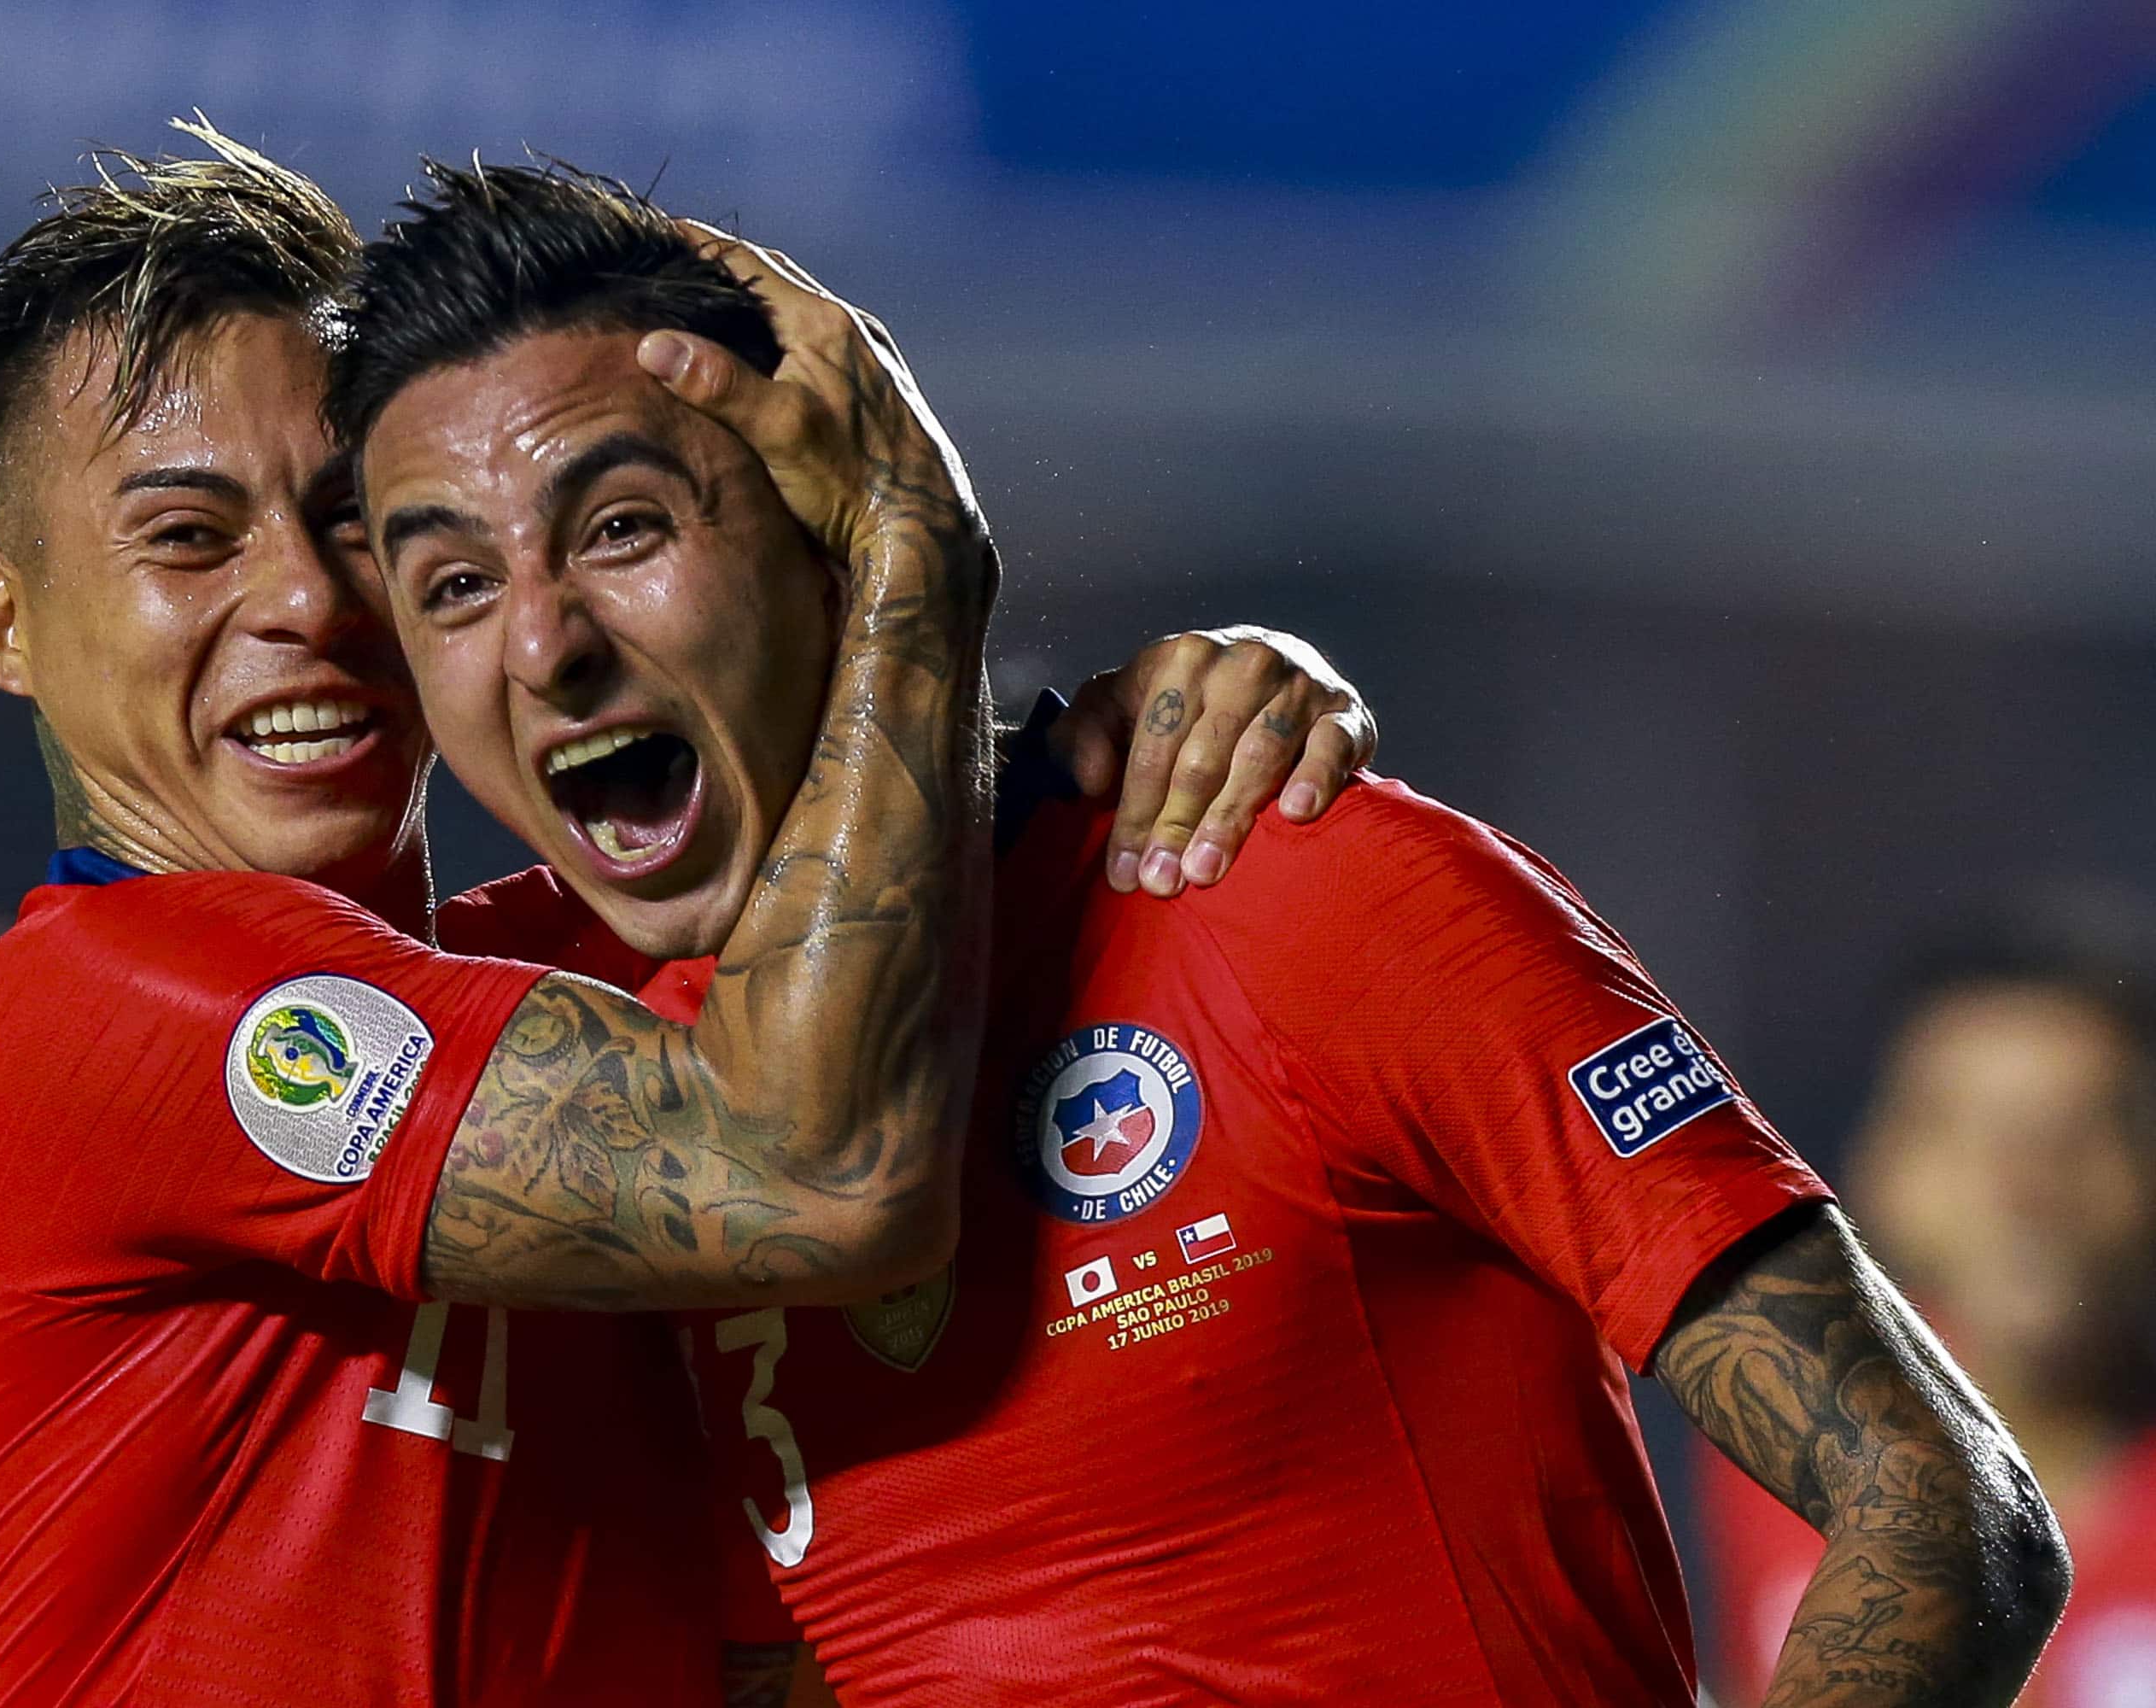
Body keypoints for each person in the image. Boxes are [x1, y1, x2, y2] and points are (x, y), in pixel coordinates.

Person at [333, 160, 2073, 1708]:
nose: (544, 643)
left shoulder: (1290, 885)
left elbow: (1943, 1509)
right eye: (455, 586)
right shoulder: (576, 1103)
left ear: (833, 529)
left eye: (623, 529)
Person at [0, 121, 1378, 1707]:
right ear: (4, 619)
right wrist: (914, 559)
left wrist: (1174, 721)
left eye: (347, 524)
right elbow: (814, 1171)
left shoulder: (606, 989)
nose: (310, 603)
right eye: (189, 540)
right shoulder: (86, 1014)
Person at [1698, 898, 2156, 1706]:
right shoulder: (1776, 1439)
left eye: (2082, 1130)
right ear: (1878, 1165)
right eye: (1963, 1129)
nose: (2023, 1190)